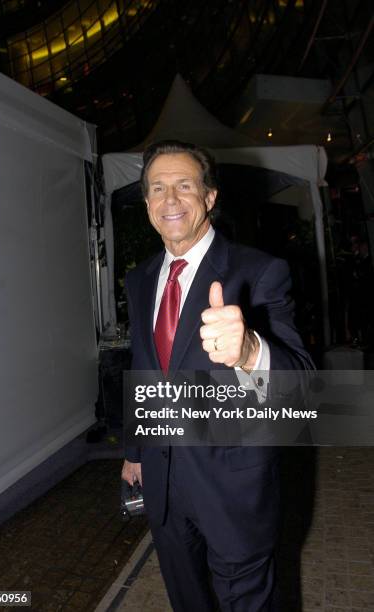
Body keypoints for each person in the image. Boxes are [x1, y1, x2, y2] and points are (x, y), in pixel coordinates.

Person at [121, 140, 313, 611]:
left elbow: (302, 386)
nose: (170, 199)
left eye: (184, 186)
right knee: (186, 597)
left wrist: (249, 351)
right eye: (158, 188)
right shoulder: (141, 278)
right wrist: (135, 451)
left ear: (209, 198)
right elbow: (145, 366)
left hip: (233, 480)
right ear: (146, 202)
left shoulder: (258, 271)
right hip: (163, 477)